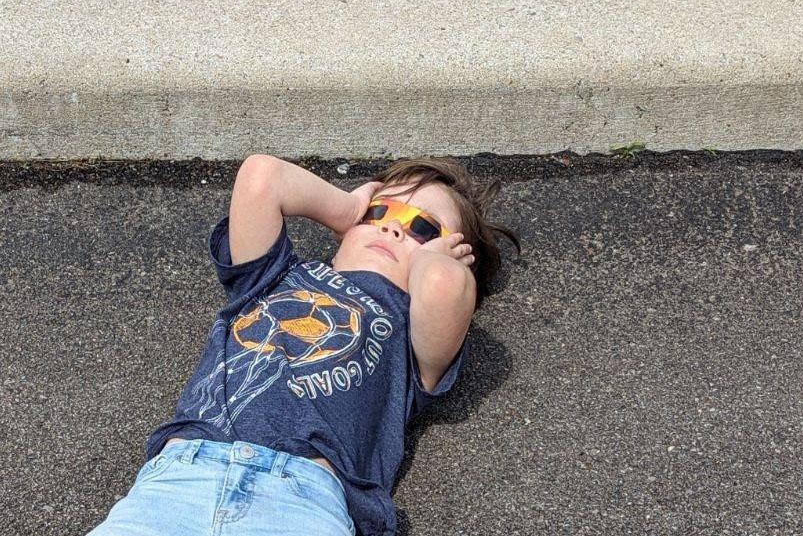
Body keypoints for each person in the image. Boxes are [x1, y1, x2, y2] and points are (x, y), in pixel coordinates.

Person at [86, 154, 520, 536]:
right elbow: (261, 176)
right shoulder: (273, 277)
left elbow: (445, 289)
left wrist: (434, 264)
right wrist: (345, 206)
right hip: (182, 477)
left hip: (302, 496)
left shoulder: (410, 327)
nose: (392, 227)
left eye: (422, 228)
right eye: (380, 210)